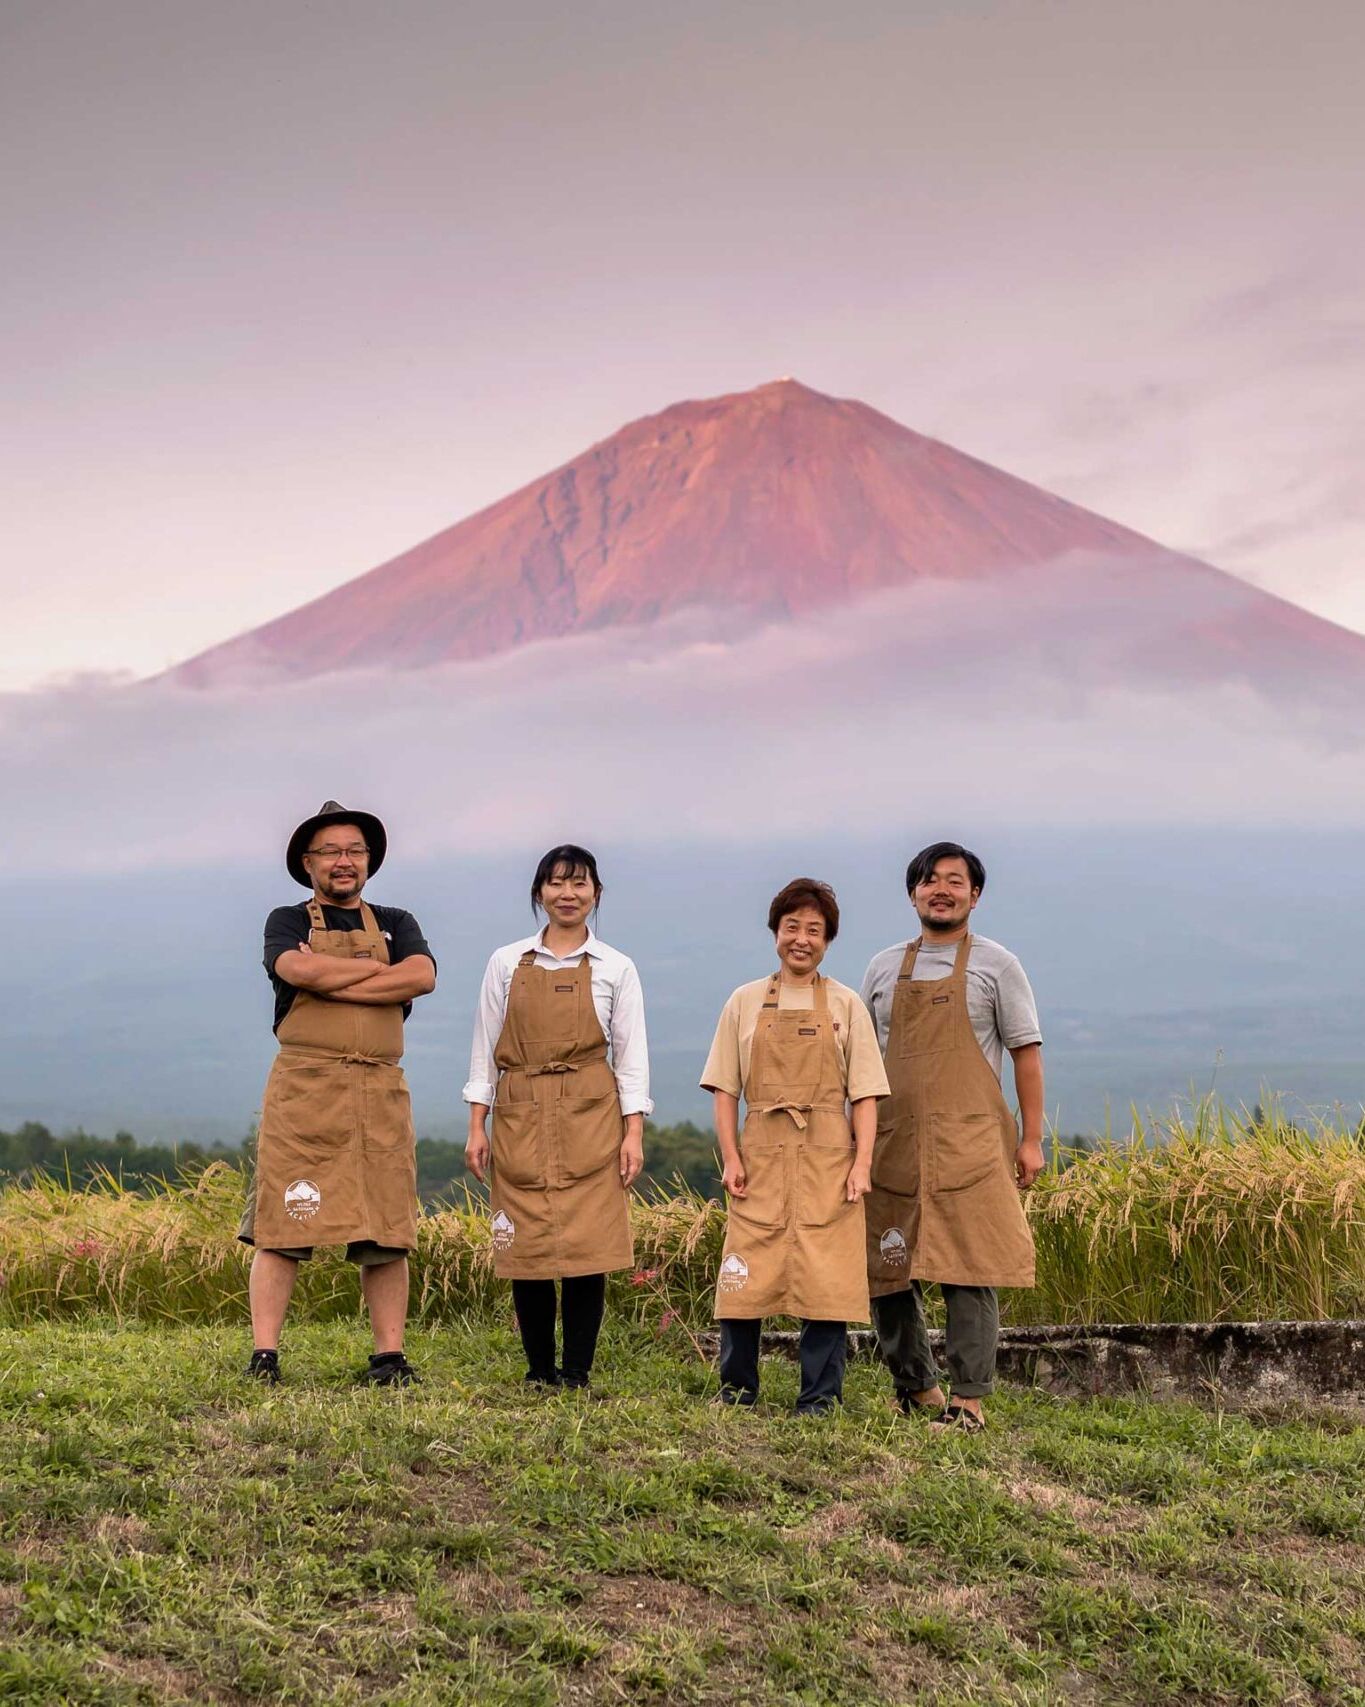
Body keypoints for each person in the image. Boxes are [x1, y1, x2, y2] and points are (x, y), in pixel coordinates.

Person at [240, 800, 436, 1386]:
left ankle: (389, 1357)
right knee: (282, 1223)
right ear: (308, 862)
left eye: (354, 850)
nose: (343, 861)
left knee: (386, 1228)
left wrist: (336, 981)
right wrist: (379, 978)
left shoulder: (397, 921)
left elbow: (423, 975)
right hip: (306, 1087)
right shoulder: (286, 920)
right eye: (330, 851)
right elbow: (297, 973)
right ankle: (265, 1355)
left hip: (379, 1087)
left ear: (369, 860)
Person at [860, 841, 1044, 1432]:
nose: (942, 889)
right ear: (913, 892)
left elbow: (1026, 1053)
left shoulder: (998, 965)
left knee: (970, 1266)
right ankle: (916, 1388)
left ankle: (969, 1399)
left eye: (955, 881)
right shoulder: (884, 967)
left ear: (975, 894)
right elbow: (862, 1063)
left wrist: (1031, 1139)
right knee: (888, 1265)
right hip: (894, 1139)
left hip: (971, 1142)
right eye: (930, 880)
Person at [464, 845, 649, 1391]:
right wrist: (478, 1123)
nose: (568, 894)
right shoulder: (506, 961)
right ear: (539, 892)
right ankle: (539, 1369)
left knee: (588, 1240)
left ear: (596, 893)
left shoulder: (616, 966)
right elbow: (484, 1046)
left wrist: (632, 1131)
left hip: (592, 1111)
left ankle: (577, 1371)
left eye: (580, 884)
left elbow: (630, 1056)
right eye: (557, 883)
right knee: (527, 1241)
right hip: (520, 1106)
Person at [702, 878, 889, 1415]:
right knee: (745, 1272)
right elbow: (724, 1090)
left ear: (828, 939)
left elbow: (866, 1095)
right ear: (775, 933)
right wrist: (732, 1158)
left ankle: (819, 1398)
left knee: (826, 1277)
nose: (801, 939)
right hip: (760, 1152)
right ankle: (736, 1389)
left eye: (814, 930)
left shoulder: (847, 1004)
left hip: (829, 1153)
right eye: (792, 928)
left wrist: (862, 1164)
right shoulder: (743, 1001)